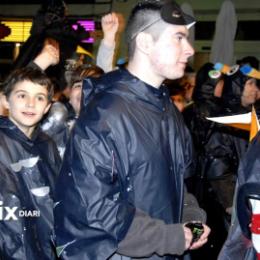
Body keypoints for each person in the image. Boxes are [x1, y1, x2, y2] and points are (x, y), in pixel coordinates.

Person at [54, 1, 210, 259]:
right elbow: (94, 208)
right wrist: (168, 237)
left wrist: (190, 217)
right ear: (146, 43)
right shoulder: (105, 115)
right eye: (179, 38)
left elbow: (176, 183)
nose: (190, 50)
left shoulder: (166, 108)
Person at [0, 67, 61, 259]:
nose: (31, 104)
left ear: (47, 107)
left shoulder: (47, 145)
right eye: (22, 95)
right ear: (5, 100)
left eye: (40, 98)